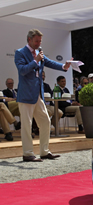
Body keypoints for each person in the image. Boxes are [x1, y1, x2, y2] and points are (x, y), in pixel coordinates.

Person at [14, 28, 71, 162]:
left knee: (45, 121)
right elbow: (22, 71)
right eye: (36, 41)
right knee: (27, 125)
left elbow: (49, 62)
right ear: (29, 40)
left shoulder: (39, 52)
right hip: (26, 94)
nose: (39, 43)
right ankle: (27, 154)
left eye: (40, 41)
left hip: (37, 94)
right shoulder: (20, 53)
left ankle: (44, 152)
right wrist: (35, 61)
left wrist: (64, 66)